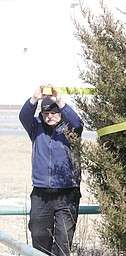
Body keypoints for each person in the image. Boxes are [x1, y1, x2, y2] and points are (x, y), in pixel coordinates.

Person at [19, 84, 84, 255]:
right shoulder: (36, 128)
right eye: (46, 113)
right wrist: (35, 98)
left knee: (63, 241)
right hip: (41, 193)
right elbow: (24, 116)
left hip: (67, 193)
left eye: (54, 113)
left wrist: (59, 100)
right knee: (39, 236)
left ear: (60, 114)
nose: (49, 117)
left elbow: (78, 123)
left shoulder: (71, 129)